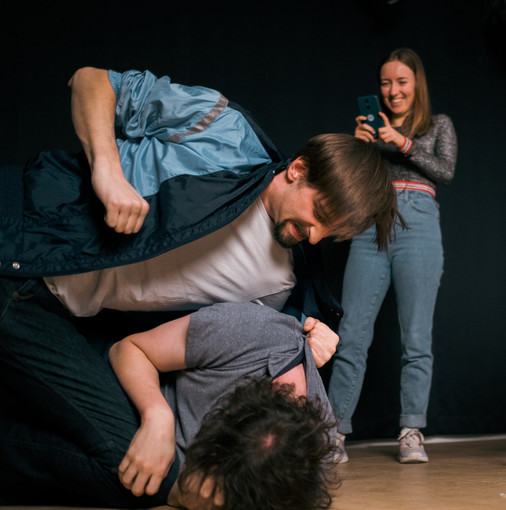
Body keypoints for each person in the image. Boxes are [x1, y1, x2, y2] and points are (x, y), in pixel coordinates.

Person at [0, 66, 398, 362]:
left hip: (56, 310)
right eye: (319, 213)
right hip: (25, 226)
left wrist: (304, 343)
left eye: (331, 234)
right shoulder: (225, 130)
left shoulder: (282, 285)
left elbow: (225, 350)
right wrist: (108, 172)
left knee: (115, 448)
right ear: (298, 169)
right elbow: (91, 81)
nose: (315, 237)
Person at [0, 300, 337, 509]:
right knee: (136, 473)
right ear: (226, 414)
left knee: (146, 482)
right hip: (126, 380)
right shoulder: (250, 334)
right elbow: (129, 350)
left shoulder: (306, 465)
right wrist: (157, 415)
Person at [327, 48, 458, 463]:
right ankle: (333, 432)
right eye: (385, 83)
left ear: (417, 84)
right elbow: (348, 183)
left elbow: (446, 171)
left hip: (419, 224)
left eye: (401, 81)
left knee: (416, 338)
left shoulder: (438, 124)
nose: (393, 90)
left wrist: (401, 142)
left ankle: (411, 431)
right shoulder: (371, 128)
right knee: (351, 334)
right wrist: (358, 148)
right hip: (372, 223)